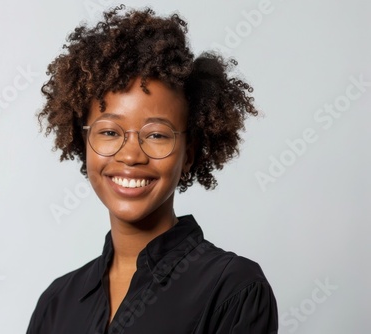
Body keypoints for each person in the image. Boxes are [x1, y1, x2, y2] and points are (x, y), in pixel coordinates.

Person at [26, 5, 278, 334]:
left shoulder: (233, 290)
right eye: (109, 132)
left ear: (188, 154)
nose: (131, 156)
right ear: (82, 140)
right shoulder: (58, 302)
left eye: (156, 135)